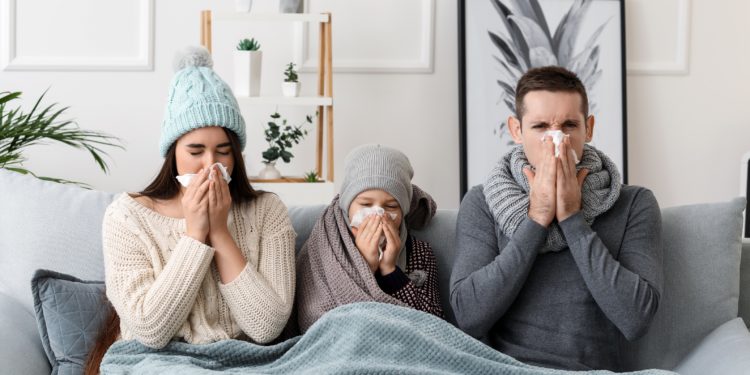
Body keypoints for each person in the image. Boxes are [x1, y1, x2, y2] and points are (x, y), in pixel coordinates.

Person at [85, 46, 296, 373]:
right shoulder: (126, 217)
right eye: (195, 151)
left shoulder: (267, 211)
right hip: (156, 362)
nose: (210, 164)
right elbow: (151, 330)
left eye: (223, 151)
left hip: (247, 363)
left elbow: (267, 327)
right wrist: (196, 234)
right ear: (173, 153)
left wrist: (220, 232)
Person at [449, 66, 663, 371]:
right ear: (516, 130)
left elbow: (637, 319)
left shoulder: (634, 203)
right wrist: (536, 218)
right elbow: (468, 316)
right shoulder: (483, 202)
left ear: (588, 128)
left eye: (569, 125)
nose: (556, 140)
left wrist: (573, 218)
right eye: (540, 127)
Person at [295, 144, 443, 333]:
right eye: (365, 204)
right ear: (347, 205)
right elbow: (313, 320)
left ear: (404, 210)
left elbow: (436, 325)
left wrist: (390, 271)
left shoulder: (420, 253)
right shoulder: (325, 247)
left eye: (390, 207)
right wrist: (365, 268)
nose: (377, 214)